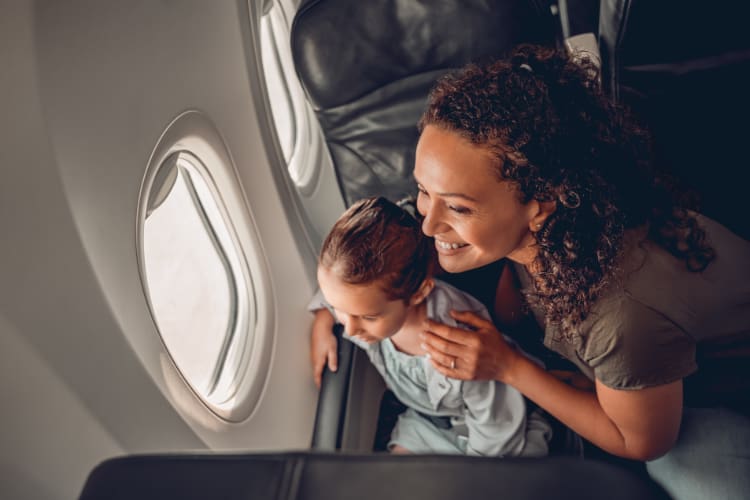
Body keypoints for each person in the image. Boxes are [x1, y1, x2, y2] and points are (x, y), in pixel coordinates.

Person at [412, 43, 750, 499]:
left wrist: (509, 368)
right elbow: (513, 310)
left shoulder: (620, 312)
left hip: (723, 398)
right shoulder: (565, 226)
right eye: (423, 192)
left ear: (540, 205)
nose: (428, 222)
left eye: (456, 207)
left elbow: (641, 442)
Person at [308, 196, 551, 456]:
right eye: (340, 311)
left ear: (418, 294)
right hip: (430, 421)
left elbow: (497, 418)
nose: (350, 330)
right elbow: (339, 296)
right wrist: (323, 322)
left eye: (367, 317)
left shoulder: (458, 341)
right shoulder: (365, 310)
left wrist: (475, 470)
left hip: (501, 424)